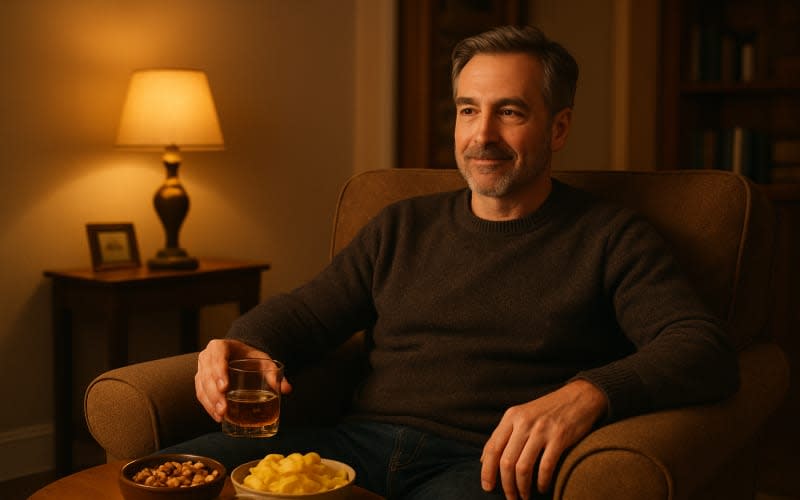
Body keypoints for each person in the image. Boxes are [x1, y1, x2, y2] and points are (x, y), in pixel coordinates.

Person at [172, 25, 739, 500]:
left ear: (558, 127)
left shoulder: (611, 237)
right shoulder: (401, 226)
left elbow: (700, 347)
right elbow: (305, 314)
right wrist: (237, 343)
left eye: (509, 112)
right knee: (167, 480)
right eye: (469, 110)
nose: (482, 135)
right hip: (354, 447)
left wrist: (588, 393)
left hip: (485, 464)